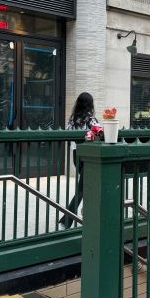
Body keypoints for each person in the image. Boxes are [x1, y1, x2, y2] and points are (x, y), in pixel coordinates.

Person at [59, 92, 99, 228]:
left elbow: (68, 135)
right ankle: (66, 220)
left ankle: (88, 213)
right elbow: (99, 134)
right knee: (82, 188)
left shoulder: (73, 120)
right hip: (89, 156)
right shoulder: (91, 120)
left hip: (76, 155)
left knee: (88, 186)